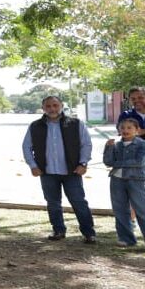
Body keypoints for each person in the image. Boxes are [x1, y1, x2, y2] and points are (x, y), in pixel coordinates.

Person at [21, 95, 96, 243]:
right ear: (43, 108)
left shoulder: (75, 124)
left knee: (79, 202)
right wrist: (33, 165)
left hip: (72, 171)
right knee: (53, 203)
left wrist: (83, 163)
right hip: (47, 172)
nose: (52, 109)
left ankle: (89, 233)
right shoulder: (35, 126)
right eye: (48, 106)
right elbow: (26, 146)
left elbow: (86, 144)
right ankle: (58, 230)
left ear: (61, 106)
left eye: (55, 105)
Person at [103, 116, 145, 247]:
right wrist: (108, 148)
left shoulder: (142, 144)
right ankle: (126, 238)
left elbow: (139, 162)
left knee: (141, 209)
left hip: (136, 180)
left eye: (129, 128)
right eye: (122, 128)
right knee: (120, 210)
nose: (125, 130)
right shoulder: (117, 145)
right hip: (117, 180)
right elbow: (108, 162)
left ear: (137, 130)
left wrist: (118, 164)